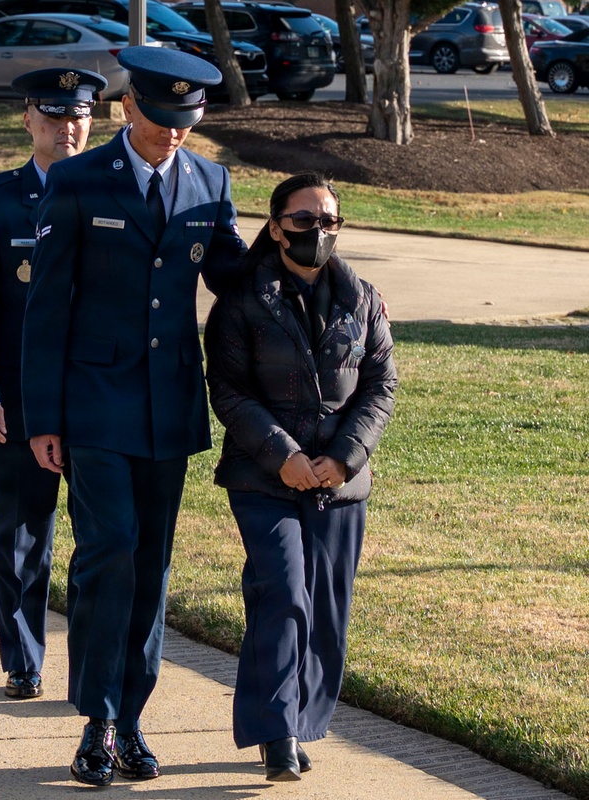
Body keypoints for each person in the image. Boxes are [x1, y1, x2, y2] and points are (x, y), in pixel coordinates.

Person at [21, 46, 247, 786]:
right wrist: (42, 416)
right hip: (92, 406)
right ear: (128, 109)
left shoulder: (210, 182)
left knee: (149, 568)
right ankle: (96, 720)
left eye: (186, 121)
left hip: (167, 408)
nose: (171, 134)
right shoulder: (79, 179)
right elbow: (46, 307)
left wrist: (308, 264)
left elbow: (236, 280)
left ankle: (132, 719)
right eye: (159, 120)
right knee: (108, 553)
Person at [203, 172, 396, 781]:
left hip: (338, 481)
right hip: (264, 476)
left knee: (326, 606)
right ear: (276, 226)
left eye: (329, 221)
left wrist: (343, 458)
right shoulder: (242, 300)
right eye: (304, 220)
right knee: (283, 590)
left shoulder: (362, 296)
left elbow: (380, 384)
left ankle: (298, 717)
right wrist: (282, 453)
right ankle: (276, 732)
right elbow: (227, 388)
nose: (319, 231)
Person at [0, 67, 107, 701]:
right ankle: (23, 658)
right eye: (54, 114)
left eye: (79, 115)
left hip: (97, 394)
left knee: (105, 533)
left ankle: (96, 662)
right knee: (20, 530)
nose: (67, 126)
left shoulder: (113, 192)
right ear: (28, 120)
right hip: (14, 398)